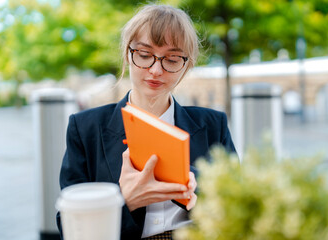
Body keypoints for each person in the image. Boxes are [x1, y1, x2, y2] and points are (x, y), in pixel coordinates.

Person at [56, 4, 236, 240]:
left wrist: (192, 185)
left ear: (187, 65)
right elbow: (69, 224)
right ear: (127, 54)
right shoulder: (86, 128)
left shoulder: (214, 125)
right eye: (144, 55)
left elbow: (237, 205)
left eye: (172, 59)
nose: (156, 69)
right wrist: (125, 201)